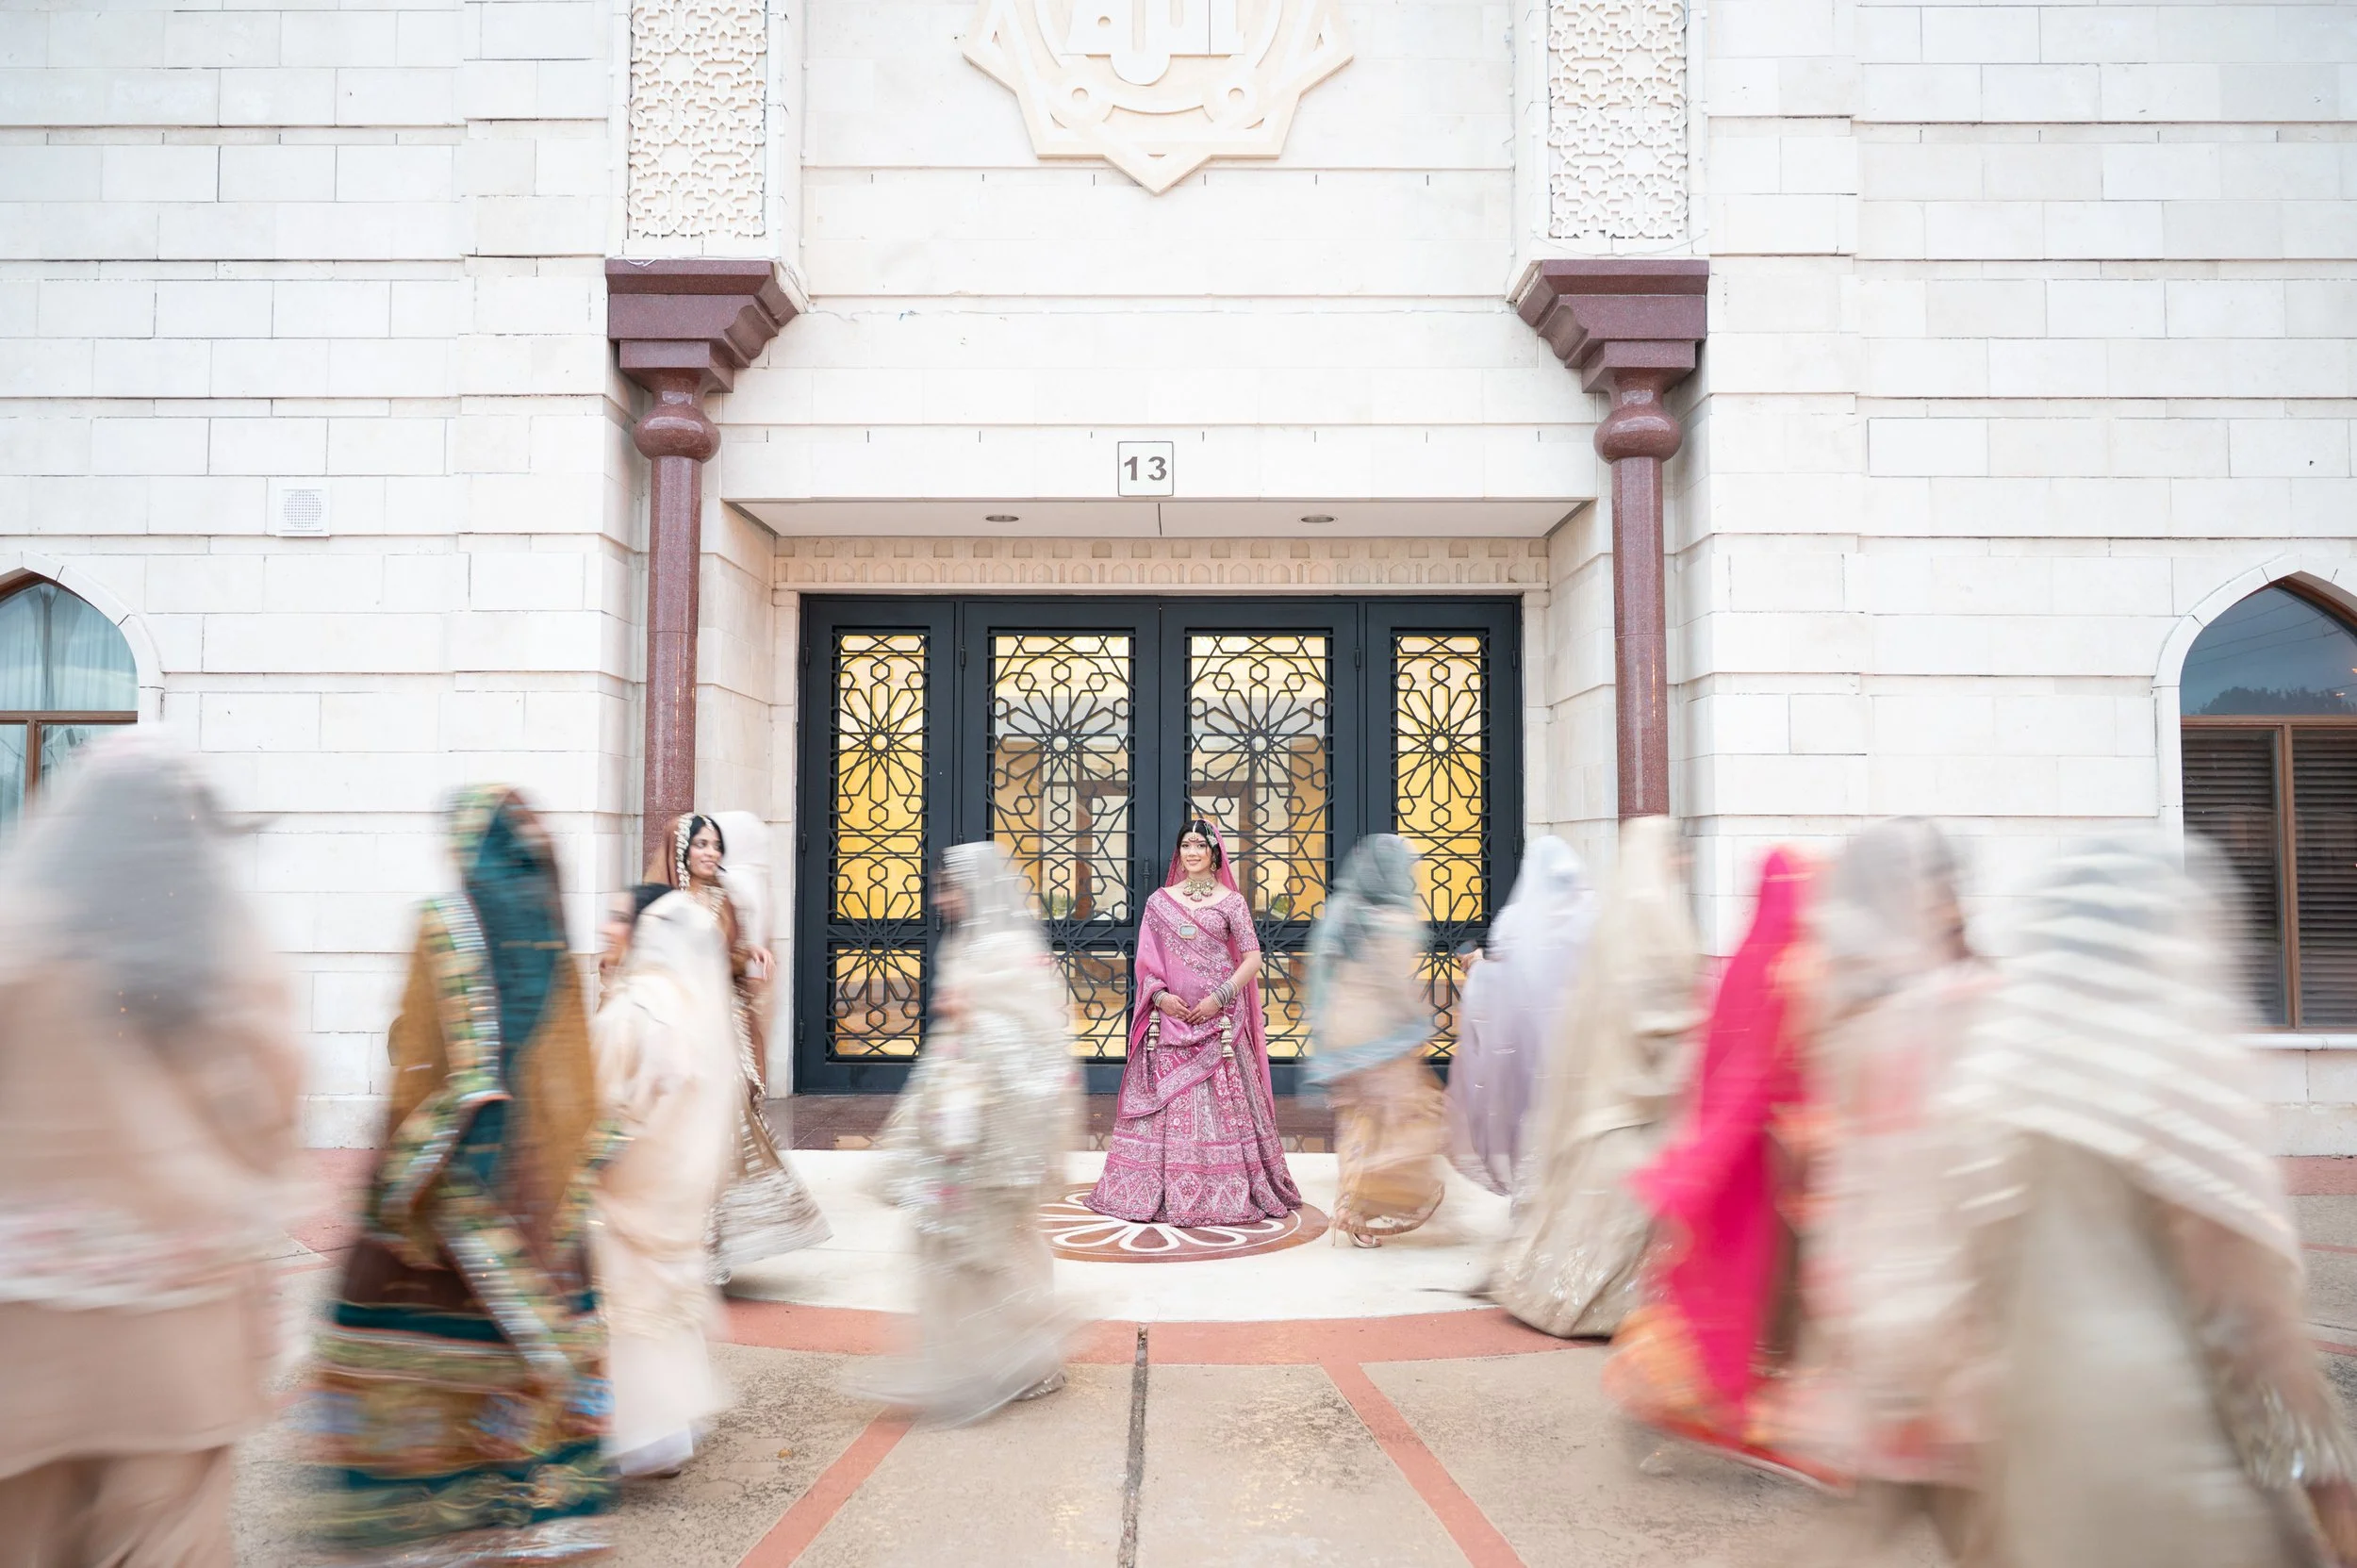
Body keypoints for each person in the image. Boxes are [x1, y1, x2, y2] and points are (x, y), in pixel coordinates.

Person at [1941, 838, 2357, 1568]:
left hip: (2042, 1479)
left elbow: (1974, 1306)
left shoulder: (2000, 1094)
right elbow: (2248, 1328)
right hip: (2180, 1487)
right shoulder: (2179, 1087)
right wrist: (2335, 1500)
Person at [0, 737, 304, 1567]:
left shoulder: (19, 946)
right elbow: (275, 1112)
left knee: (25, 1531)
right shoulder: (222, 963)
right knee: (167, 1532)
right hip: (178, 1310)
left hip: (27, 1315)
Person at [307, 785, 616, 1565]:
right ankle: (534, 1514)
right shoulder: (551, 932)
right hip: (538, 1208)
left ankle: (425, 1516)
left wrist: (406, 1165)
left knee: (414, 1345)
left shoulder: (439, 923)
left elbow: (415, 1050)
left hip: (447, 1185)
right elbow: (572, 1075)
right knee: (527, 1356)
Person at [1775, 818, 1989, 1552]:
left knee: (1884, 1510)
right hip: (1939, 1290)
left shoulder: (1834, 989)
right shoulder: (1959, 1000)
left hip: (1866, 1278)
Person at [1601, 847, 1827, 1483]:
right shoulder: (1786, 969)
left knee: (1712, 1286)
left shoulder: (1742, 965)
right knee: (1748, 1290)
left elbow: (1717, 1062)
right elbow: (1765, 1071)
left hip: (1731, 1156)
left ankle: (1687, 1399)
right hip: (1758, 1163)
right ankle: (1714, 1407)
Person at [860, 842, 1081, 1426]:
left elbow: (1038, 1039)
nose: (941, 898)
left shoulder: (1009, 949)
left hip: (996, 1123)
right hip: (955, 1119)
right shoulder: (964, 944)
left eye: (949, 887)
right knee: (948, 1243)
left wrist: (971, 1011)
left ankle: (1024, 1357)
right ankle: (968, 1358)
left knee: (996, 1243)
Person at [1488, 816, 1701, 1337]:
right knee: (1627, 1202)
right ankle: (1596, 1298)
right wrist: (1696, 1026)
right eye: (1678, 850)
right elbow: (1643, 1003)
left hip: (1619, 1084)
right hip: (1633, 1088)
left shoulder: (1622, 914)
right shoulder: (1644, 914)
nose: (1685, 861)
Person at [590, 884, 741, 1480]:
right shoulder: (694, 1009)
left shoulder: (633, 1011)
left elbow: (601, 1106)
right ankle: (674, 1423)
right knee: (664, 1309)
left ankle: (645, 1433)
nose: (608, 928)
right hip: (675, 1193)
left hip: (626, 1192)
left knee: (628, 1311)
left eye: (619, 918)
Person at [1087, 818, 1302, 1226]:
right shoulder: (1160, 902)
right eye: (1186, 845)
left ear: (1214, 854)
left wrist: (1220, 997)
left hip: (1218, 1022)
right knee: (1166, 1104)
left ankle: (1222, 1189)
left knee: (1222, 1105)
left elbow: (1252, 958)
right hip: (1170, 1022)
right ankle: (1157, 1188)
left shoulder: (1231, 903)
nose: (1193, 852)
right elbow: (1147, 964)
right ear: (1179, 852)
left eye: (1201, 846)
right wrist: (1162, 998)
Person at [649, 812, 829, 1279]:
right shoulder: (662, 903)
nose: (711, 853)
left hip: (721, 1029)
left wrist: (749, 953)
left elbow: (725, 956)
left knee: (727, 1128)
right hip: (679, 1030)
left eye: (716, 845)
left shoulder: (720, 897)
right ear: (680, 851)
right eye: (701, 845)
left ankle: (712, 1244)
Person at [1304, 834, 1448, 1247]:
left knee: (1356, 1126)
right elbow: (1394, 988)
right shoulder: (1395, 921)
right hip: (1382, 1040)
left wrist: (1322, 1027)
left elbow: (1321, 975)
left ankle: (1350, 1208)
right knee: (1396, 1126)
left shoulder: (1342, 910)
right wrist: (1421, 1025)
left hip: (1340, 1036)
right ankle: (1368, 1211)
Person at [1446, 834, 1596, 1198]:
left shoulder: (1517, 921)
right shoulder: (1594, 916)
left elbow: (1501, 987)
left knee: (1535, 1135)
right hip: (1583, 1054)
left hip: (1531, 1056)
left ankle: (1534, 1215)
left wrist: (1477, 967)